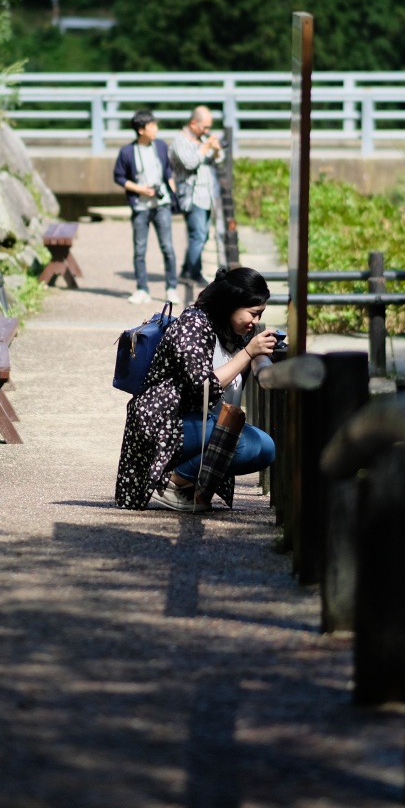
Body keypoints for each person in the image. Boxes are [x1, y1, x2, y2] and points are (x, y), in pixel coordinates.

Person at [114, 266, 277, 512]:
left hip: (192, 419)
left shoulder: (225, 327)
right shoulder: (194, 323)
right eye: (253, 314)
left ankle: (189, 487)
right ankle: (172, 483)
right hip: (163, 420)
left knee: (265, 448)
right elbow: (204, 386)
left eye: (260, 314)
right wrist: (248, 353)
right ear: (230, 304)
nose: (255, 322)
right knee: (243, 443)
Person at [113, 109, 180, 306]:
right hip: (140, 206)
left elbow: (168, 169)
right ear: (141, 130)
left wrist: (172, 187)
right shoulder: (127, 152)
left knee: (167, 247)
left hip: (162, 204)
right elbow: (118, 177)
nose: (156, 129)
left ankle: (171, 288)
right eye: (152, 126)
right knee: (140, 249)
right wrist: (140, 189)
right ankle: (142, 289)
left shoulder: (160, 146)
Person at [169, 105, 224, 289]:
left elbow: (219, 158)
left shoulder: (201, 138)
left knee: (203, 235)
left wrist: (215, 149)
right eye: (205, 127)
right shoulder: (180, 140)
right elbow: (190, 162)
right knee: (198, 236)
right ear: (193, 123)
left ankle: (186, 270)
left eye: (209, 127)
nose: (207, 131)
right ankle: (193, 273)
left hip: (206, 195)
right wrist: (206, 145)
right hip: (192, 196)